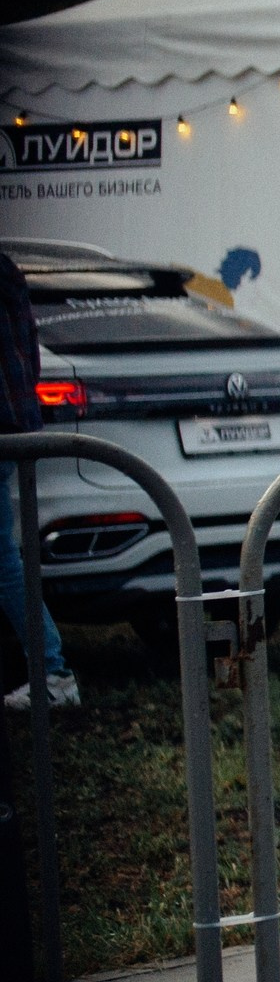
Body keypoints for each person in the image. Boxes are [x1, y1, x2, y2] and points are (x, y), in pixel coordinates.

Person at [0, 253, 77, 710]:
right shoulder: (8, 271)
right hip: (16, 426)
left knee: (4, 559)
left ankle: (52, 670)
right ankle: (51, 669)